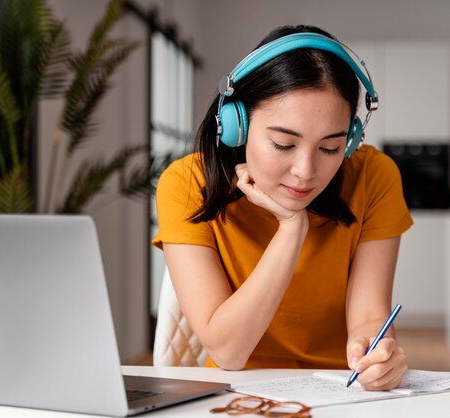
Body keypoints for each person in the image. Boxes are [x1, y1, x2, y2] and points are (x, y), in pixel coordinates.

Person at [152, 24, 413, 391]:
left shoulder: (374, 176)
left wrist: (377, 351)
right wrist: (291, 227)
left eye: (329, 148)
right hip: (235, 392)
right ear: (235, 126)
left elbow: (369, 316)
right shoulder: (185, 184)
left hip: (341, 389)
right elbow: (229, 352)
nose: (306, 172)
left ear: (351, 140)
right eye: (283, 144)